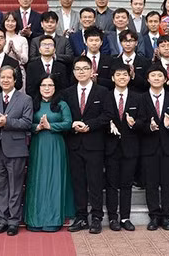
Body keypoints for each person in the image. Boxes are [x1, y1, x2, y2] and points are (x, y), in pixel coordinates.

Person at [61, 56, 112, 234]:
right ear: (73, 72)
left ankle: (96, 217)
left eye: (85, 68)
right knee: (78, 182)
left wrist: (89, 126)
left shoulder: (103, 91)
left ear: (91, 71)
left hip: (94, 144)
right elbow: (63, 116)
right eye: (78, 69)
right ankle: (81, 216)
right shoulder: (67, 93)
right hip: (74, 143)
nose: (81, 72)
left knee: (95, 182)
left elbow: (107, 115)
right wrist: (74, 125)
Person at [0, 66, 33, 236]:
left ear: (15, 80)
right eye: (2, 77)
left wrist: (8, 122)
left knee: (15, 187)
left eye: (9, 77)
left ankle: (14, 221)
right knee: (0, 188)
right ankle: (2, 220)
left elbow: (27, 122)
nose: (5, 80)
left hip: (16, 148)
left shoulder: (25, 99)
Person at [24, 76, 75, 232]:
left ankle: (53, 219)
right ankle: (34, 219)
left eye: (50, 85)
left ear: (55, 88)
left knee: (54, 179)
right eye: (44, 85)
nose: (47, 88)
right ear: (39, 88)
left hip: (56, 145)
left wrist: (50, 126)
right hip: (38, 144)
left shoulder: (62, 104)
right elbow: (26, 122)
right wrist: (37, 127)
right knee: (36, 179)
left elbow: (68, 123)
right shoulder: (32, 104)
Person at [138, 64, 169, 231]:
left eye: (159, 76)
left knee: (167, 183)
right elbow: (138, 123)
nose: (156, 78)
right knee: (151, 183)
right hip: (148, 147)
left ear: (165, 78)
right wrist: (148, 127)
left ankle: (165, 216)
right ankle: (154, 216)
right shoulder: (141, 98)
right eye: (153, 75)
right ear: (148, 79)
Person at [104, 64, 142, 231]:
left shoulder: (137, 97)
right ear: (112, 78)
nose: (121, 77)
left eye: (124, 75)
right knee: (112, 184)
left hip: (130, 147)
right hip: (110, 146)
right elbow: (100, 118)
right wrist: (108, 125)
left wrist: (135, 124)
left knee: (126, 184)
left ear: (129, 77)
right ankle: (113, 217)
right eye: (118, 74)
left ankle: (125, 217)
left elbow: (143, 121)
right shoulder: (105, 96)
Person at [3, 12, 29, 83]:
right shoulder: (0, 38)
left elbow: (25, 60)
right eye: (8, 21)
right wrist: (7, 50)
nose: (10, 23)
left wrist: (15, 51)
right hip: (2, 70)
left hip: (18, 71)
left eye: (13, 21)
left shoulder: (22, 39)